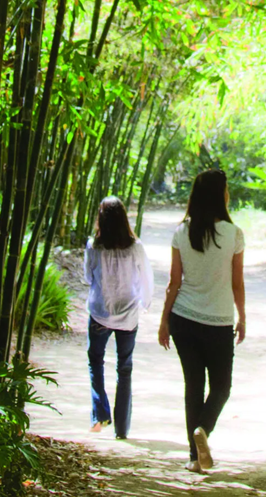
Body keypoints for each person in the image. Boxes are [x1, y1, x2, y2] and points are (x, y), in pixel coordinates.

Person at [158, 169, 246, 473]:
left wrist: (164, 321)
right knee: (221, 387)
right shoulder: (233, 234)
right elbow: (237, 283)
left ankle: (195, 458)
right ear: (221, 195)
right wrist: (243, 316)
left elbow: (174, 282)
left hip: (183, 318)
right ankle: (204, 430)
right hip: (219, 321)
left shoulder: (182, 232)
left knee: (193, 386)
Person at [84, 196, 154, 440]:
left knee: (96, 363)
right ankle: (122, 429)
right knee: (124, 368)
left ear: (100, 219)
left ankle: (100, 414)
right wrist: (146, 303)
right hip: (128, 316)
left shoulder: (94, 246)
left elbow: (87, 278)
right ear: (125, 219)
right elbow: (146, 278)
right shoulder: (136, 247)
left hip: (100, 313)